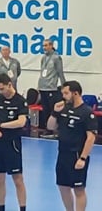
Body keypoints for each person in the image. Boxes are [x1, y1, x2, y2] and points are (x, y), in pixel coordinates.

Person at [47, 81, 97, 211]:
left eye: (66, 93)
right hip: (62, 154)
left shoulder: (87, 112)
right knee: (63, 187)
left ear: (75, 93)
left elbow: (91, 137)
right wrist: (54, 112)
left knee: (78, 189)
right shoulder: (63, 108)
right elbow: (50, 126)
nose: (63, 96)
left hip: (76, 155)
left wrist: (83, 158)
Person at [0, 74, 28, 211]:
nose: (1, 92)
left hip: (12, 144)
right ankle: (0, 208)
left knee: (18, 179)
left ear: (9, 85)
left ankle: (22, 208)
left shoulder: (20, 101)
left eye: (2, 89)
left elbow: (21, 122)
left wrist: (1, 125)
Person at [39, 38, 66, 137]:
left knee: (52, 110)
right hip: (43, 87)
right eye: (43, 45)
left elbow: (60, 73)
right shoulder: (43, 58)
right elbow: (42, 72)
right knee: (45, 110)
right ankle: (47, 128)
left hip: (51, 88)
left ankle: (53, 129)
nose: (44, 47)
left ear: (51, 46)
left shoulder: (56, 58)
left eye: (46, 45)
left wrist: (64, 86)